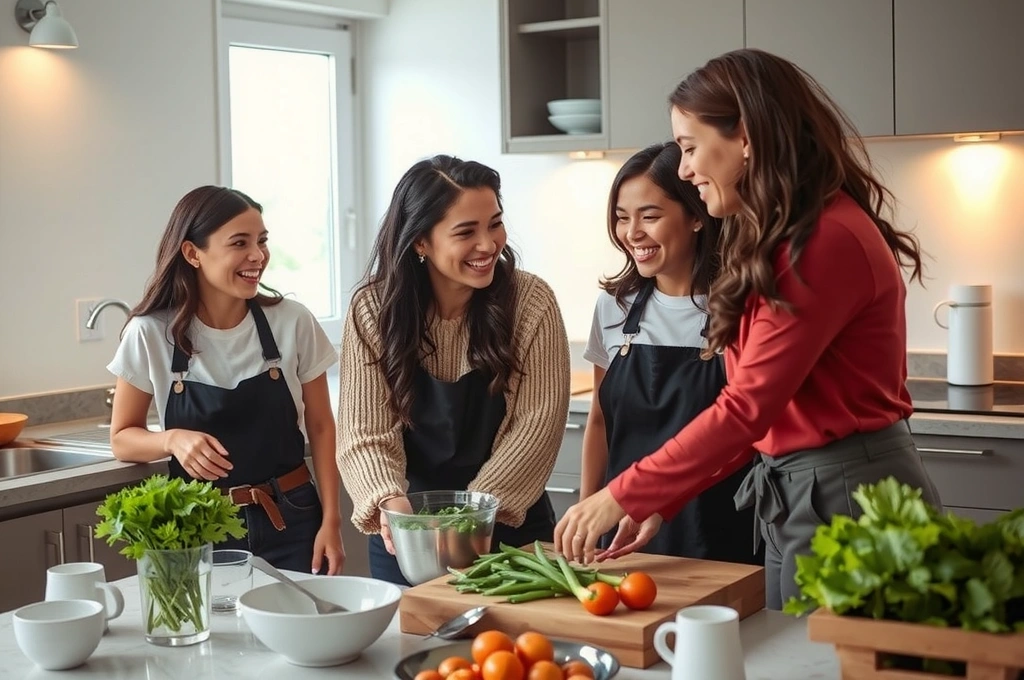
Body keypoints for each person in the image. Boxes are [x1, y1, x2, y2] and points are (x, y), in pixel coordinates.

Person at [555, 49, 942, 609]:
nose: (685, 169)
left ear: (747, 139)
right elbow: (766, 416)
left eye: (690, 148)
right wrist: (660, 500)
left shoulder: (819, 243)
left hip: (846, 497)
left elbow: (745, 408)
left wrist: (624, 494)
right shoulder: (787, 236)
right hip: (800, 493)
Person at [336, 154, 571, 586]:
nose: (489, 244)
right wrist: (390, 501)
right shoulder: (373, 309)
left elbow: (536, 426)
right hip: (406, 535)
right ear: (420, 242)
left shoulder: (530, 302)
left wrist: (466, 520)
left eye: (495, 224)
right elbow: (362, 431)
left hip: (509, 531)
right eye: (466, 232)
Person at [107, 185, 345, 575]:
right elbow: (122, 439)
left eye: (262, 241)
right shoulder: (150, 333)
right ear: (192, 253)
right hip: (200, 524)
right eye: (240, 243)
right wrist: (171, 440)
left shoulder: (292, 321)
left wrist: (331, 521)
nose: (258, 255)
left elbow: (321, 426)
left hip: (294, 516)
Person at [580, 142, 758, 565]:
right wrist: (587, 514)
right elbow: (600, 422)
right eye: (622, 218)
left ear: (696, 216)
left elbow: (746, 428)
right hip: (620, 530)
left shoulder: (741, 308)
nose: (632, 233)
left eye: (650, 216)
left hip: (718, 531)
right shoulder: (613, 308)